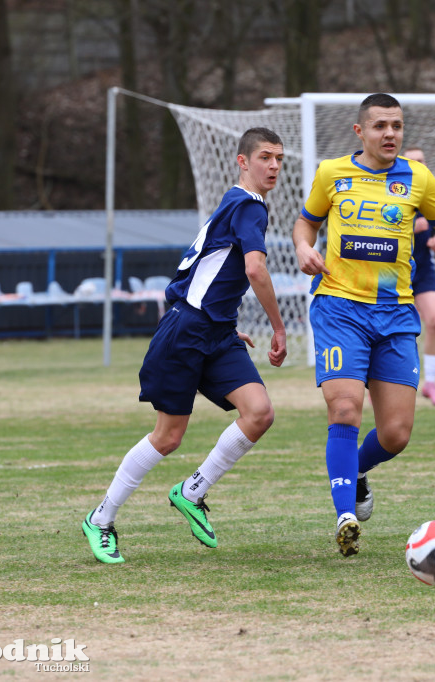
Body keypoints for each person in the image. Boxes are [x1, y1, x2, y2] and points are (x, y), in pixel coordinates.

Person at [292, 93, 435, 557]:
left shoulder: (417, 177)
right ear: (360, 132)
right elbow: (305, 224)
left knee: (396, 433)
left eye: (397, 126)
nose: (390, 134)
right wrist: (304, 247)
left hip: (397, 314)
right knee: (344, 408)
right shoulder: (331, 173)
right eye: (380, 126)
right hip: (339, 307)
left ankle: (357, 472)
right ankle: (344, 515)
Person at [82, 128, 288, 564]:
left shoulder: (239, 205)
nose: (273, 166)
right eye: (265, 157)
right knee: (169, 436)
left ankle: (191, 491)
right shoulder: (248, 206)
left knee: (260, 413)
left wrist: (226, 325)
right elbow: (255, 270)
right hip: (186, 332)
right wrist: (279, 327)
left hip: (214, 332)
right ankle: (101, 519)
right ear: (242, 161)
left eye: (279, 159)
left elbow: (209, 275)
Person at [402, 146, 435, 407]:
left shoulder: (430, 192)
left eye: (422, 160)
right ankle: (381, 385)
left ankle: (430, 382)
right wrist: (409, 227)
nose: (420, 164)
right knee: (397, 331)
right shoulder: (392, 191)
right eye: (413, 161)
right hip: (395, 272)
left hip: (424, 270)